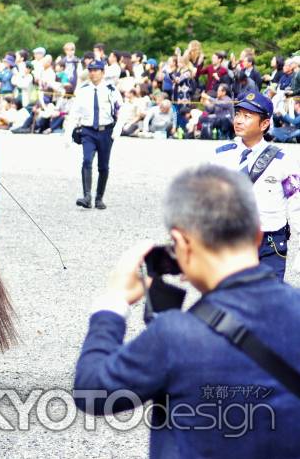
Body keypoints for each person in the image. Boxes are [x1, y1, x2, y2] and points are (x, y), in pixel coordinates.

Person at [73, 164, 300, 458]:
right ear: (258, 235)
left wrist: (112, 303)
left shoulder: (175, 335)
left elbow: (92, 390)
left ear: (181, 244)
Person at [212, 92, 299, 280]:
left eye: (247, 116)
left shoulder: (283, 161)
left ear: (264, 124)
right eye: (238, 114)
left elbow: (296, 203)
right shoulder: (221, 157)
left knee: (268, 302)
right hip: (233, 240)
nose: (239, 120)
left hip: (270, 244)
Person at [70, 59, 121, 209]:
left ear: (103, 72)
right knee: (86, 160)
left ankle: (99, 198)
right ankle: (87, 196)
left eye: (96, 70)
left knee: (103, 166)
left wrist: (117, 129)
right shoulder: (83, 90)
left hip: (106, 131)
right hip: (88, 131)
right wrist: (68, 133)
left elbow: (121, 110)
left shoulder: (111, 90)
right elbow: (74, 112)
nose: (92, 73)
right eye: (90, 70)